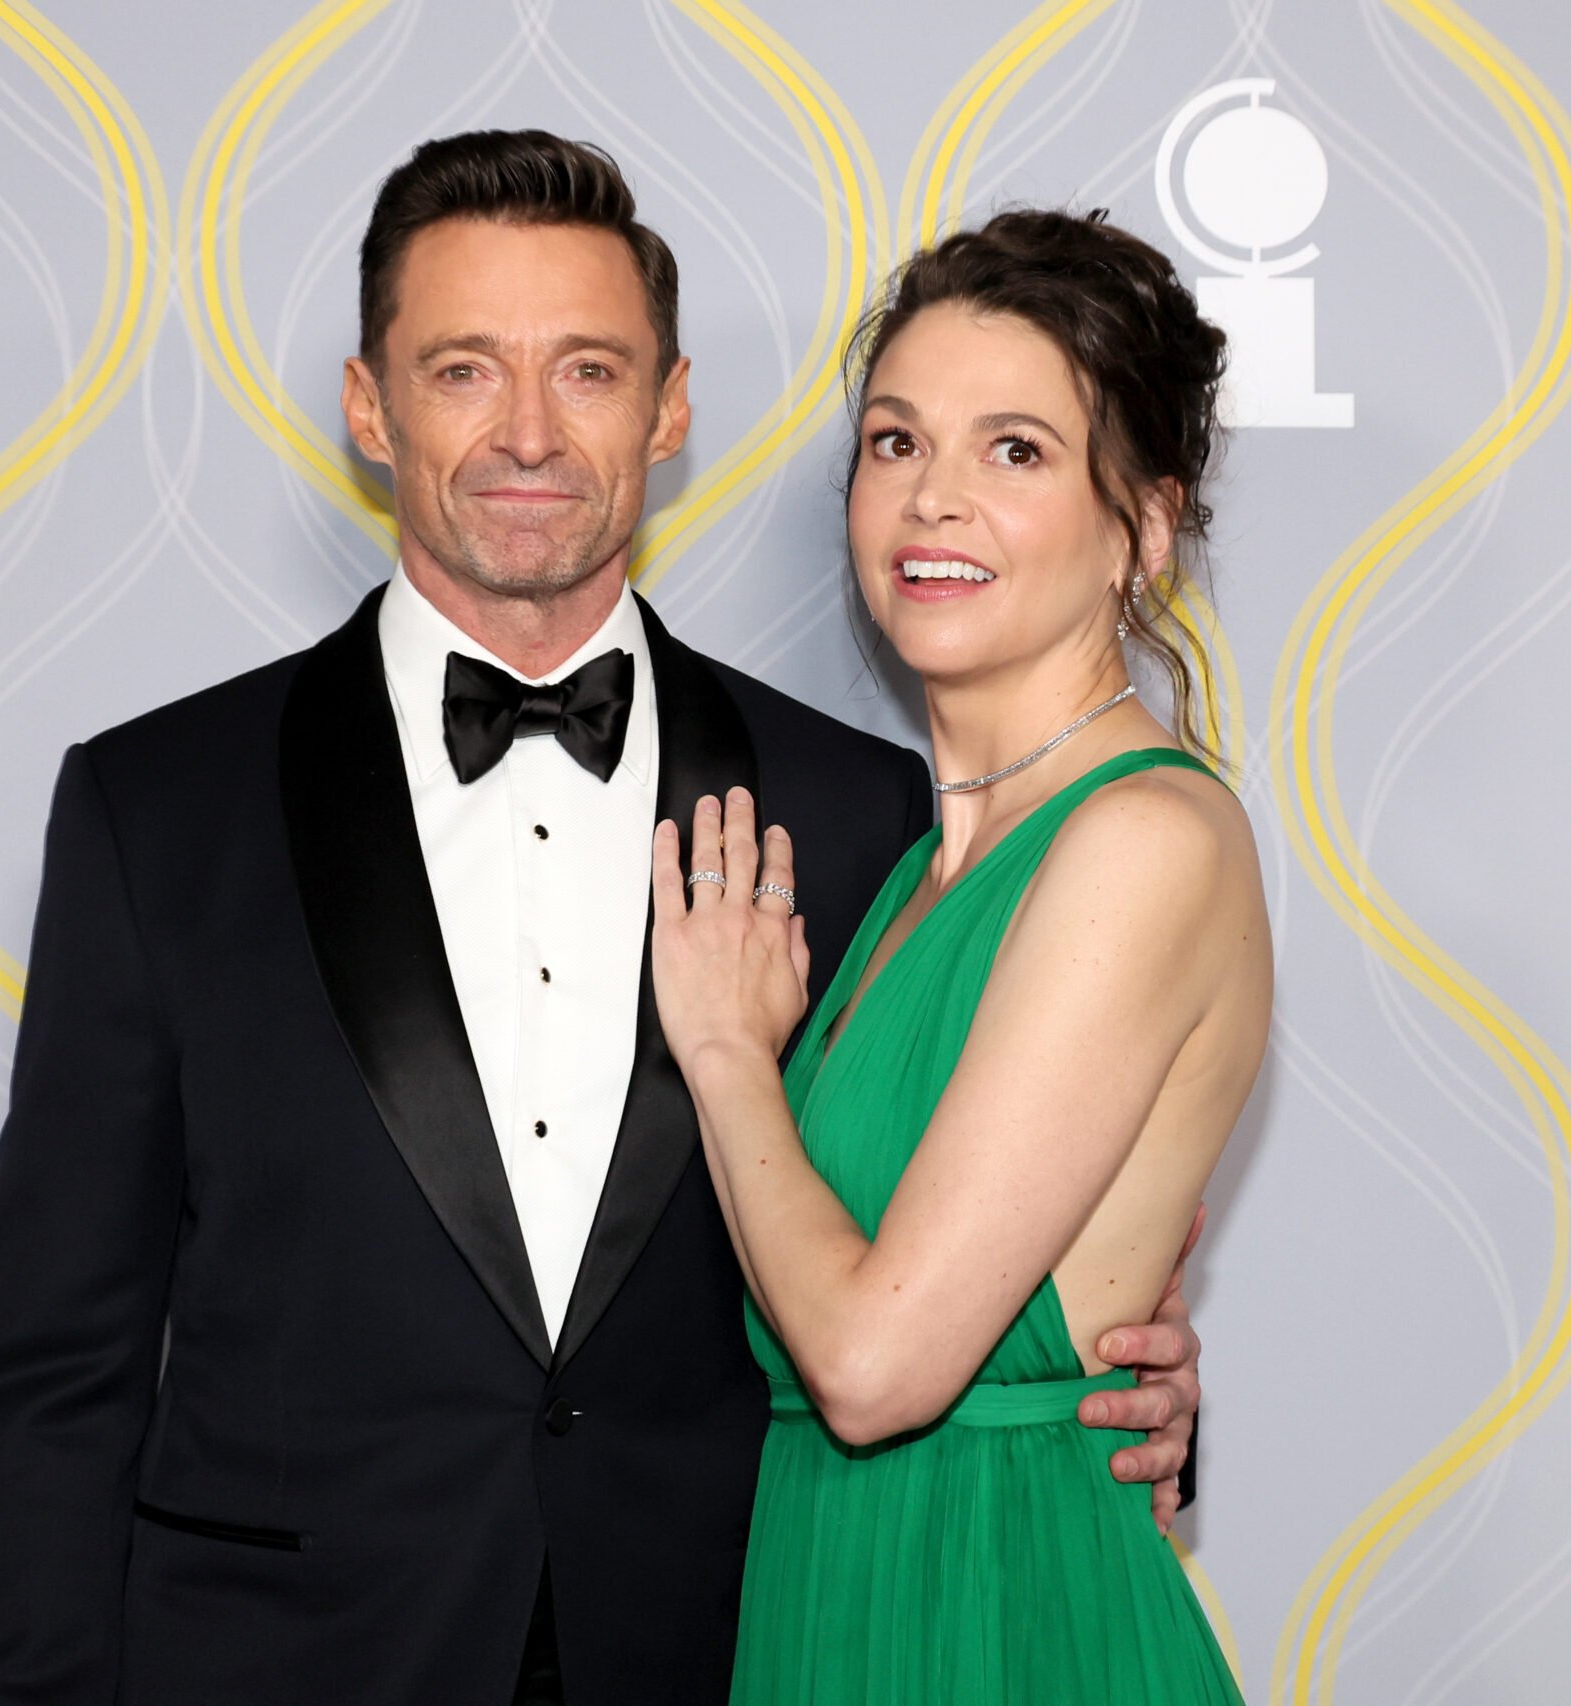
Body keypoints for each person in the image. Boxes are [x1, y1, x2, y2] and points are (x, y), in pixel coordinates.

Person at [0, 133, 1205, 1706]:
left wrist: (1129, 1378)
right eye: (463, 368)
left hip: (740, 1647)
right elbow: (54, 1371)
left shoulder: (872, 813)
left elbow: (976, 1246)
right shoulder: (158, 809)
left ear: (669, 407)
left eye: (588, 370)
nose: (527, 432)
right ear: (367, 404)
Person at [649, 208, 1270, 1702]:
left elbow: (874, 1367)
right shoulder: (918, 869)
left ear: (1143, 525)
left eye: (1017, 451)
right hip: (837, 1603)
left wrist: (731, 1054)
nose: (933, 501)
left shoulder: (1144, 844)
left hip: (1005, 1621)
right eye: (895, 442)